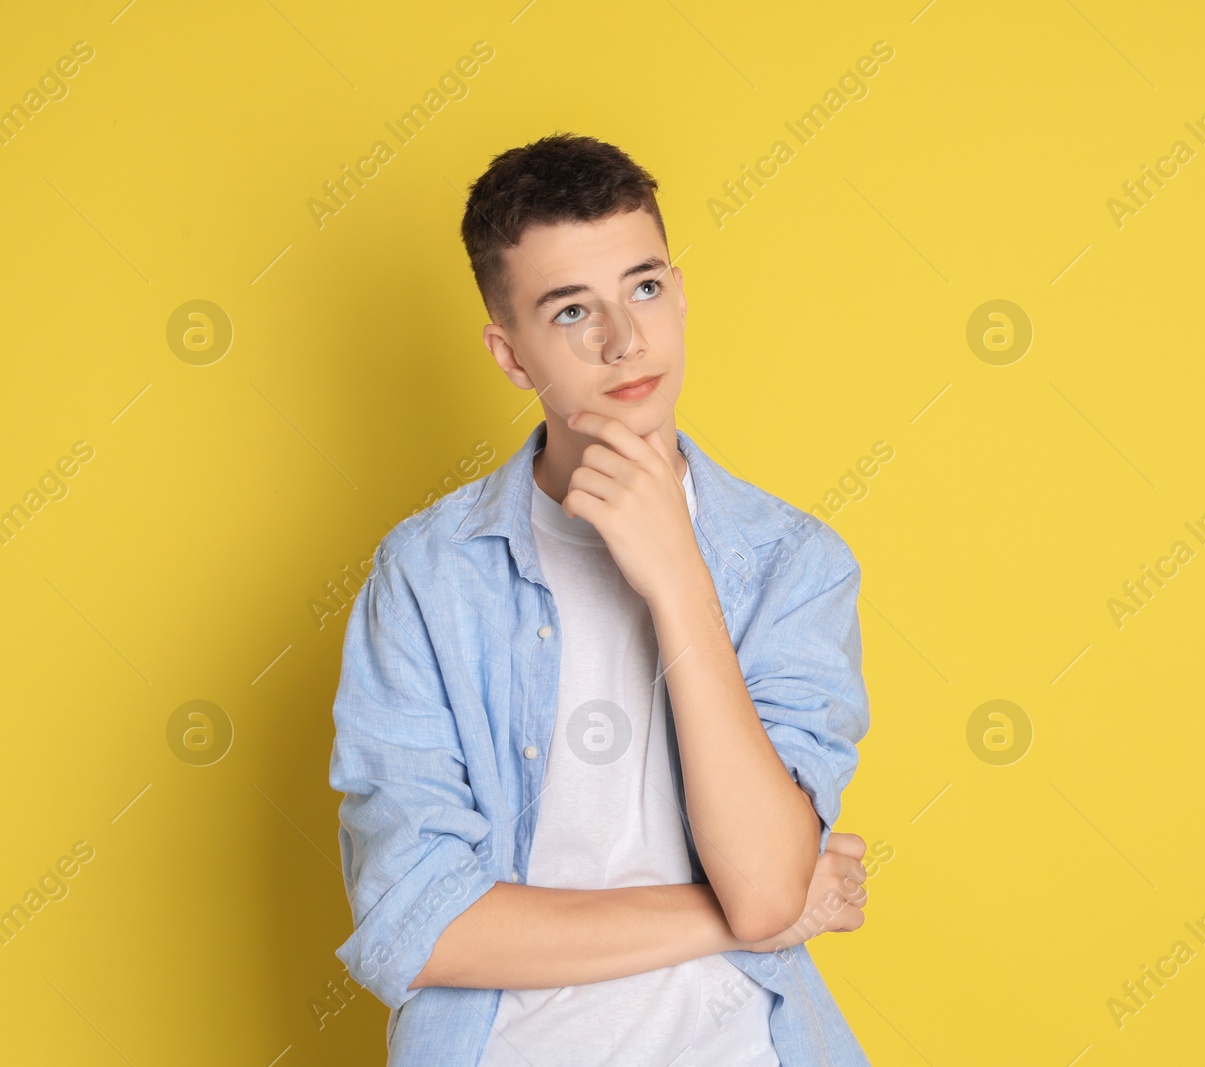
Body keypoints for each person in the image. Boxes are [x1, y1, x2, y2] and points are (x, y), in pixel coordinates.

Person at [328, 132, 874, 1066]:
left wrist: (675, 574)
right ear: (510, 355)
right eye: (573, 309)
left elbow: (765, 881)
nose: (626, 341)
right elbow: (420, 926)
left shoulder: (793, 563)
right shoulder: (427, 577)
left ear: (681, 292)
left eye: (646, 287)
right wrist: (744, 914)